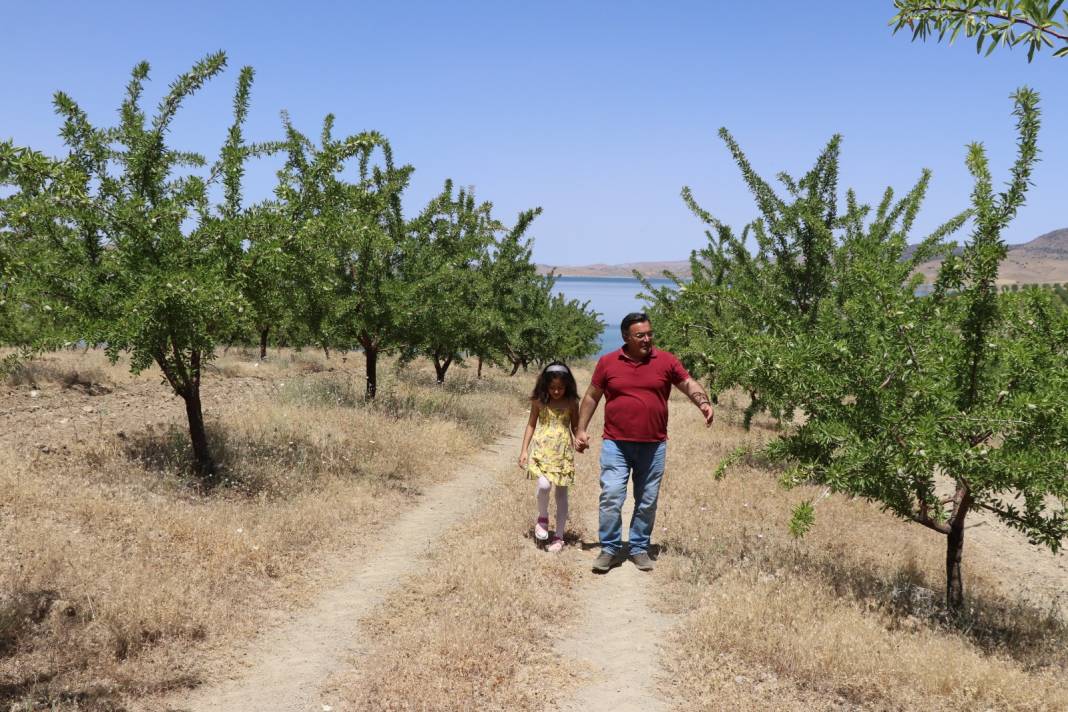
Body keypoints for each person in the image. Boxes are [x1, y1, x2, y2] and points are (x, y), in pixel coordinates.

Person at [575, 312, 713, 572]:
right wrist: (581, 429)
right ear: (627, 337)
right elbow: (592, 396)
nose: (647, 339)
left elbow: (687, 382)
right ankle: (610, 548)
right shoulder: (608, 362)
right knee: (612, 495)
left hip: (654, 445)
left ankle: (639, 547)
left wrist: (703, 403)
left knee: (647, 499)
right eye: (641, 335)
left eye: (650, 334)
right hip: (615, 443)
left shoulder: (666, 360)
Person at [519, 361, 580, 553]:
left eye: (560, 388)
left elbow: (576, 426)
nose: (556, 391)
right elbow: (531, 424)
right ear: (545, 385)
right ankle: (543, 518)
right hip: (543, 451)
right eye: (552, 387)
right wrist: (524, 450)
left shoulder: (571, 402)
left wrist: (580, 439)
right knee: (544, 485)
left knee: (562, 494)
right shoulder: (539, 401)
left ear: (567, 386)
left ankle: (559, 536)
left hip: (562, 453)